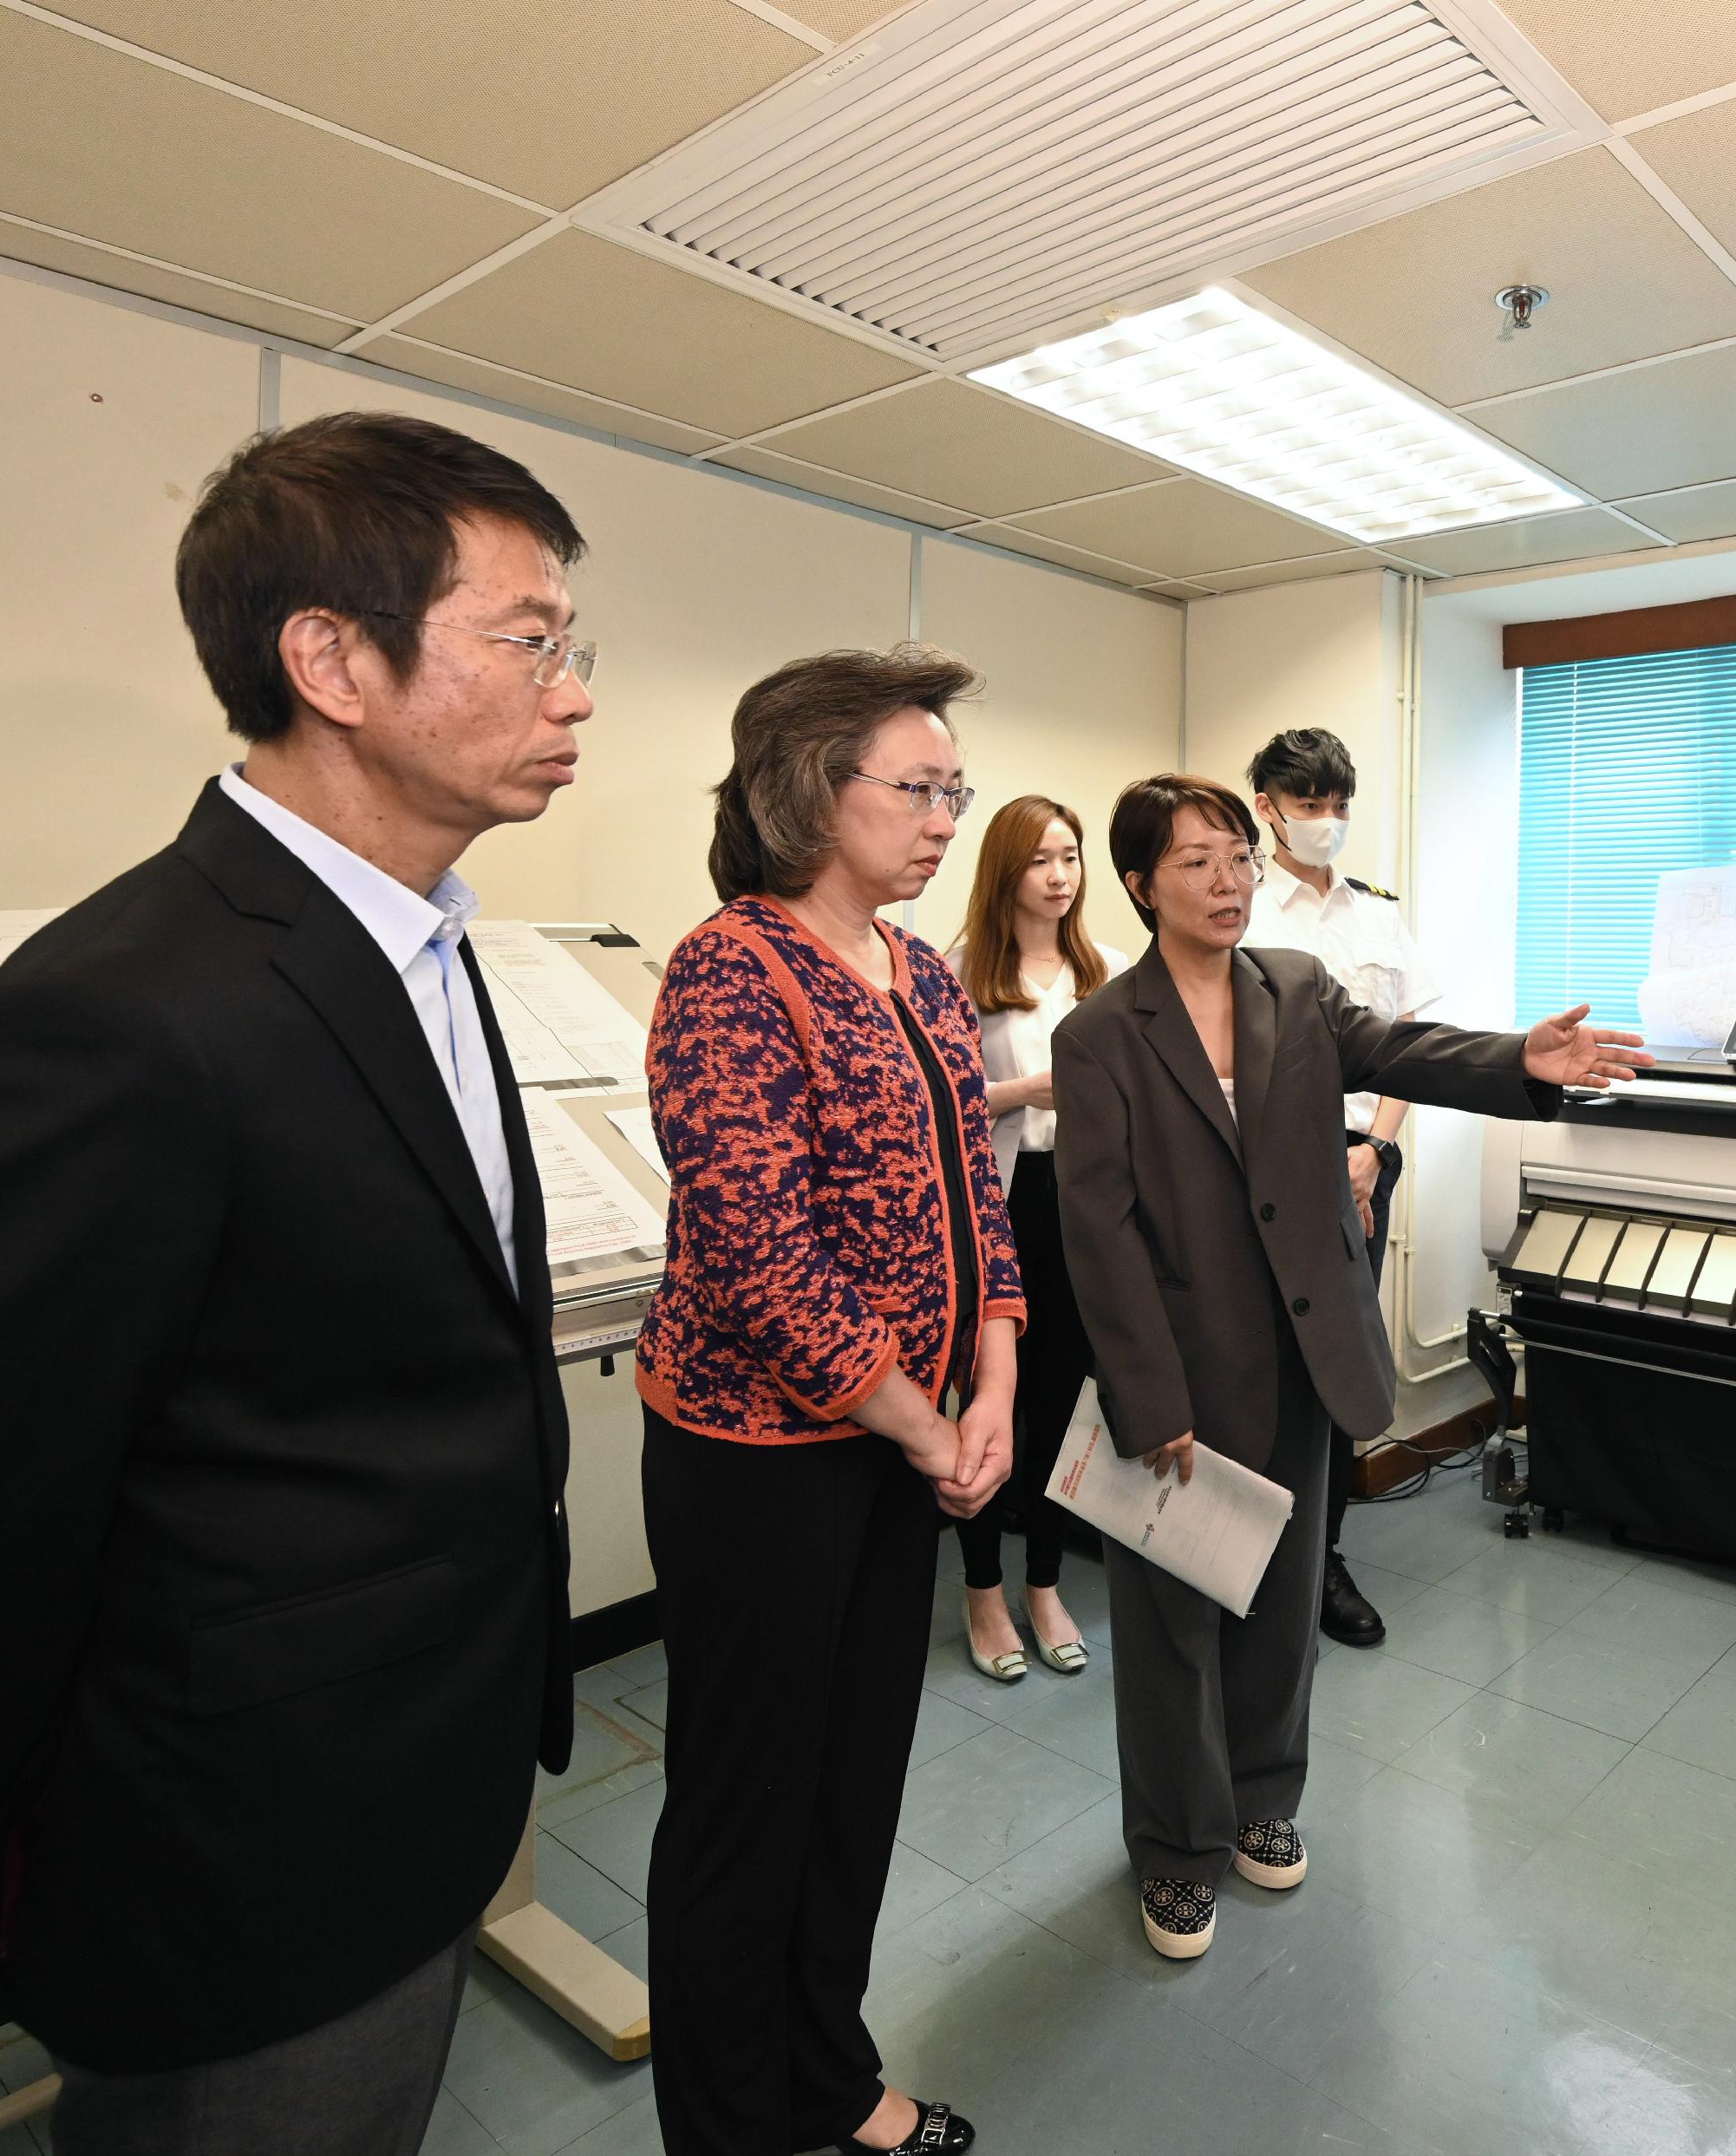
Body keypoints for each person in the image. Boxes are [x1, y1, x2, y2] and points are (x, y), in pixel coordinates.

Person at [0, 411, 597, 2151]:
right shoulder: (122, 1010)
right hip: (234, 1861)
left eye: (568, 643)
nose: (573, 689)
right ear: (330, 657)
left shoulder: (423, 942)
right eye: (526, 638)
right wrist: (45, 1833)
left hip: (417, 1778)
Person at [1055, 774, 1648, 1958]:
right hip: (1183, 1366)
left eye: (1238, 857)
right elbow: (1099, 1230)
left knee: (1279, 1597)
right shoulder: (1102, 1034)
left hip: (1303, 1346)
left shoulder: (1297, 985)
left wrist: (1519, 1059)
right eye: (1196, 863)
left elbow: (1404, 1050)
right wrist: (1148, 1394)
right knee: (1174, 1620)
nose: (1229, 881)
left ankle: (1263, 1800)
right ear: (1140, 885)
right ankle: (1175, 1846)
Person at [633, 646, 1022, 2156]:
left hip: (904, 1447)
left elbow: (974, 1198)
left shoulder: (920, 969)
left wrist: (990, 1383)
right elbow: (754, 1249)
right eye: (917, 788)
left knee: (853, 1786)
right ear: (812, 790)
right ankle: (731, 2125)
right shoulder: (732, 966)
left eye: (954, 791)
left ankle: (826, 2073)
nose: (942, 819)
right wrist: (927, 1428)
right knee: (747, 1809)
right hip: (762, 1462)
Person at [1241, 727, 1430, 1649]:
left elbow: (1411, 1048)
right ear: (1267, 806)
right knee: (1266, 1362)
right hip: (1270, 1165)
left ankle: (1324, 1557)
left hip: (1362, 1162)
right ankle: (1253, 1550)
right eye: (1308, 803)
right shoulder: (1241, 906)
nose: (1327, 820)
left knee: (1341, 1360)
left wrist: (1374, 1155)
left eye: (1338, 803)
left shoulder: (1377, 913)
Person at [942, 794, 1126, 1684]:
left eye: (1072, 856)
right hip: (992, 1205)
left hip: (1082, 1208)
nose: (1060, 876)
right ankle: (982, 1588)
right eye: (1041, 859)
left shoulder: (1111, 971)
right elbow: (927, 1109)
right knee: (985, 1402)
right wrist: (1025, 1091)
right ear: (1005, 870)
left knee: (1058, 1403)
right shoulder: (955, 969)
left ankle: (1045, 1582)